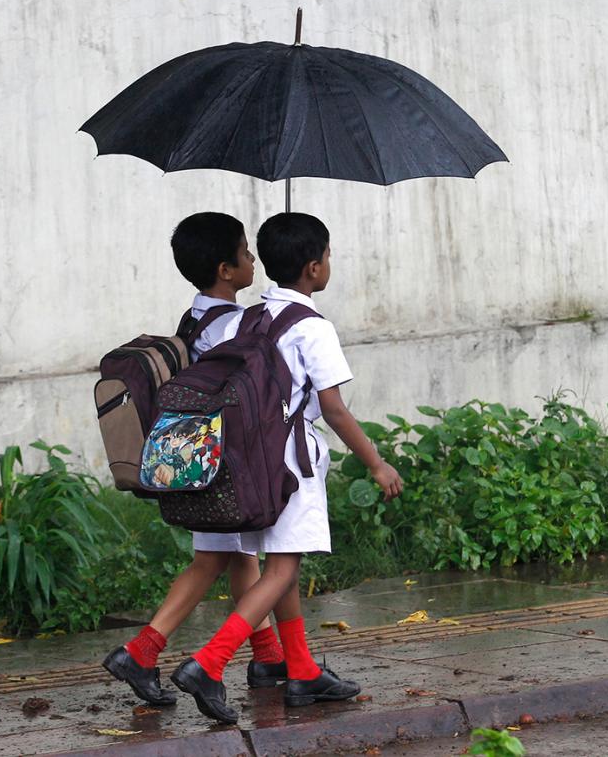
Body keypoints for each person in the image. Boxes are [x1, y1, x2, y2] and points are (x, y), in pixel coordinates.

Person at [169, 211, 404, 724]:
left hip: (253, 460)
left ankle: (301, 672)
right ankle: (208, 663)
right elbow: (334, 408)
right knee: (282, 570)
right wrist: (377, 463)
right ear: (315, 267)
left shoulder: (251, 316)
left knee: (282, 564)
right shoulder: (313, 328)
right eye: (328, 258)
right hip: (292, 464)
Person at [103, 212, 290, 705]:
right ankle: (142, 650)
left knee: (235, 555)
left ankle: (269, 655)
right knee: (213, 558)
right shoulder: (233, 325)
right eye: (246, 253)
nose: (253, 260)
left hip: (200, 456)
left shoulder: (196, 316)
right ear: (227, 270)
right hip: (223, 463)